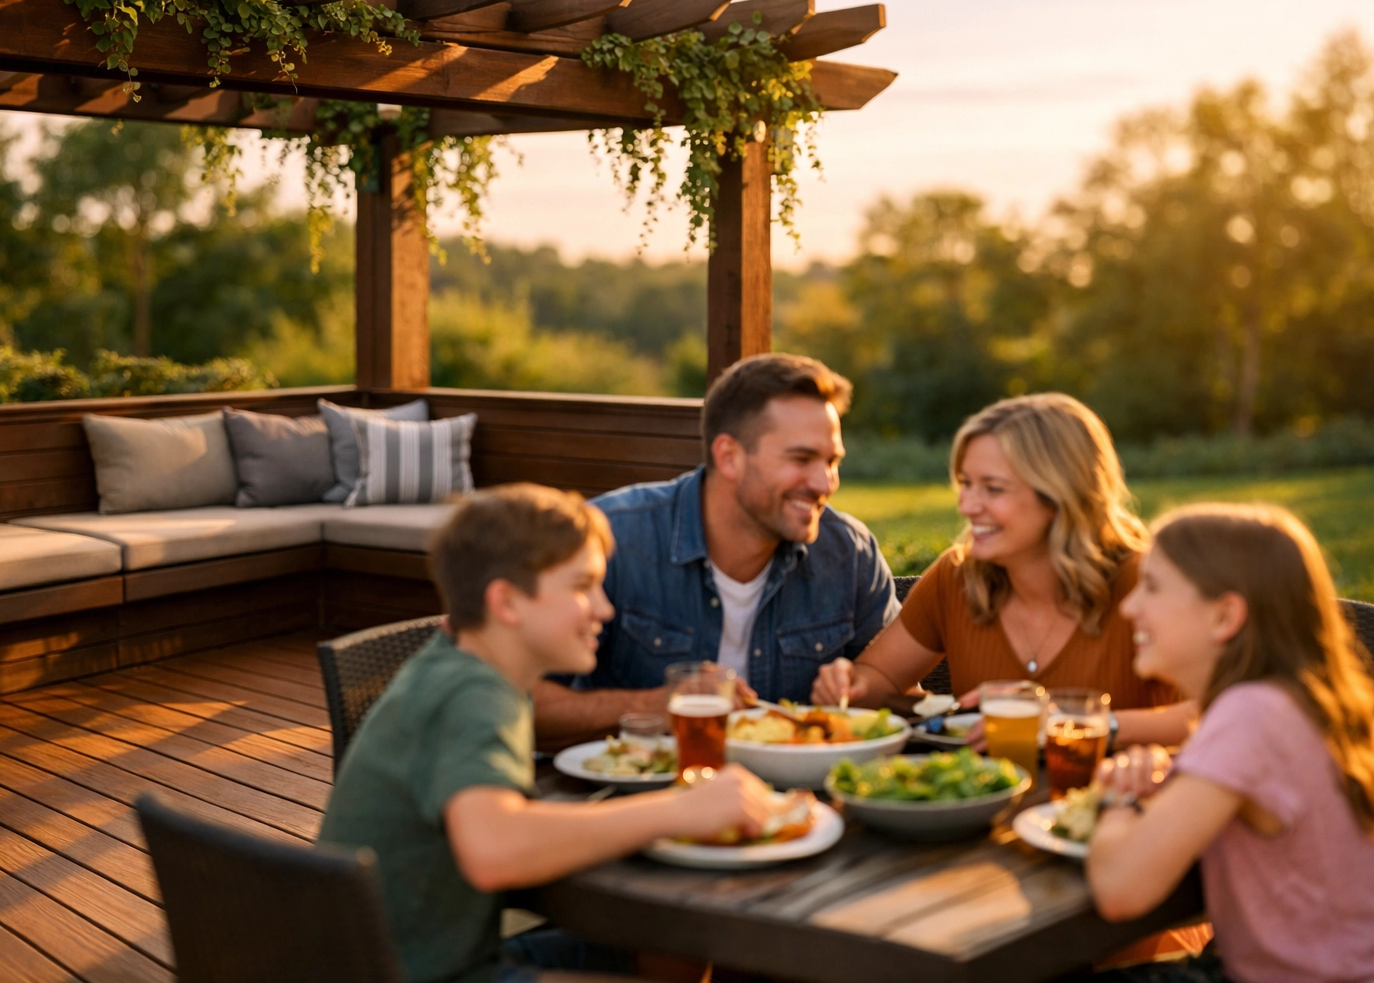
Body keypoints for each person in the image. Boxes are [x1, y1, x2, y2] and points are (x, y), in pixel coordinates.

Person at [317, 483, 784, 983]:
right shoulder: (473, 694)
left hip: (441, 955)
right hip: (418, 973)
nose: (604, 609)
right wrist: (681, 810)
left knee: (676, 947)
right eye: (583, 587)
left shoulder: (465, 667)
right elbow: (494, 850)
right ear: (508, 603)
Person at [533, 354, 898, 750]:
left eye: (832, 461)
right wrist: (656, 706)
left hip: (802, 804)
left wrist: (857, 685)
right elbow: (517, 700)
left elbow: (900, 696)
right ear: (729, 457)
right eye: (801, 459)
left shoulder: (850, 553)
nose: (824, 482)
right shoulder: (612, 539)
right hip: (634, 799)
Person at [1079, 504, 1374, 983]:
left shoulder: (1252, 714)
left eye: (1152, 588)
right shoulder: (1300, 700)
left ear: (1225, 616)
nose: (1129, 607)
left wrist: (1117, 799)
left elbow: (1120, 889)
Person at [813, 393, 1191, 747]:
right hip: (983, 809)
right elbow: (879, 678)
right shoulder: (957, 577)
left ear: (1059, 496)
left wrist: (1070, 724)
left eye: (992, 489)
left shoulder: (1148, 581)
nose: (967, 506)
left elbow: (1221, 716)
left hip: (1126, 809)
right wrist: (849, 686)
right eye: (966, 484)